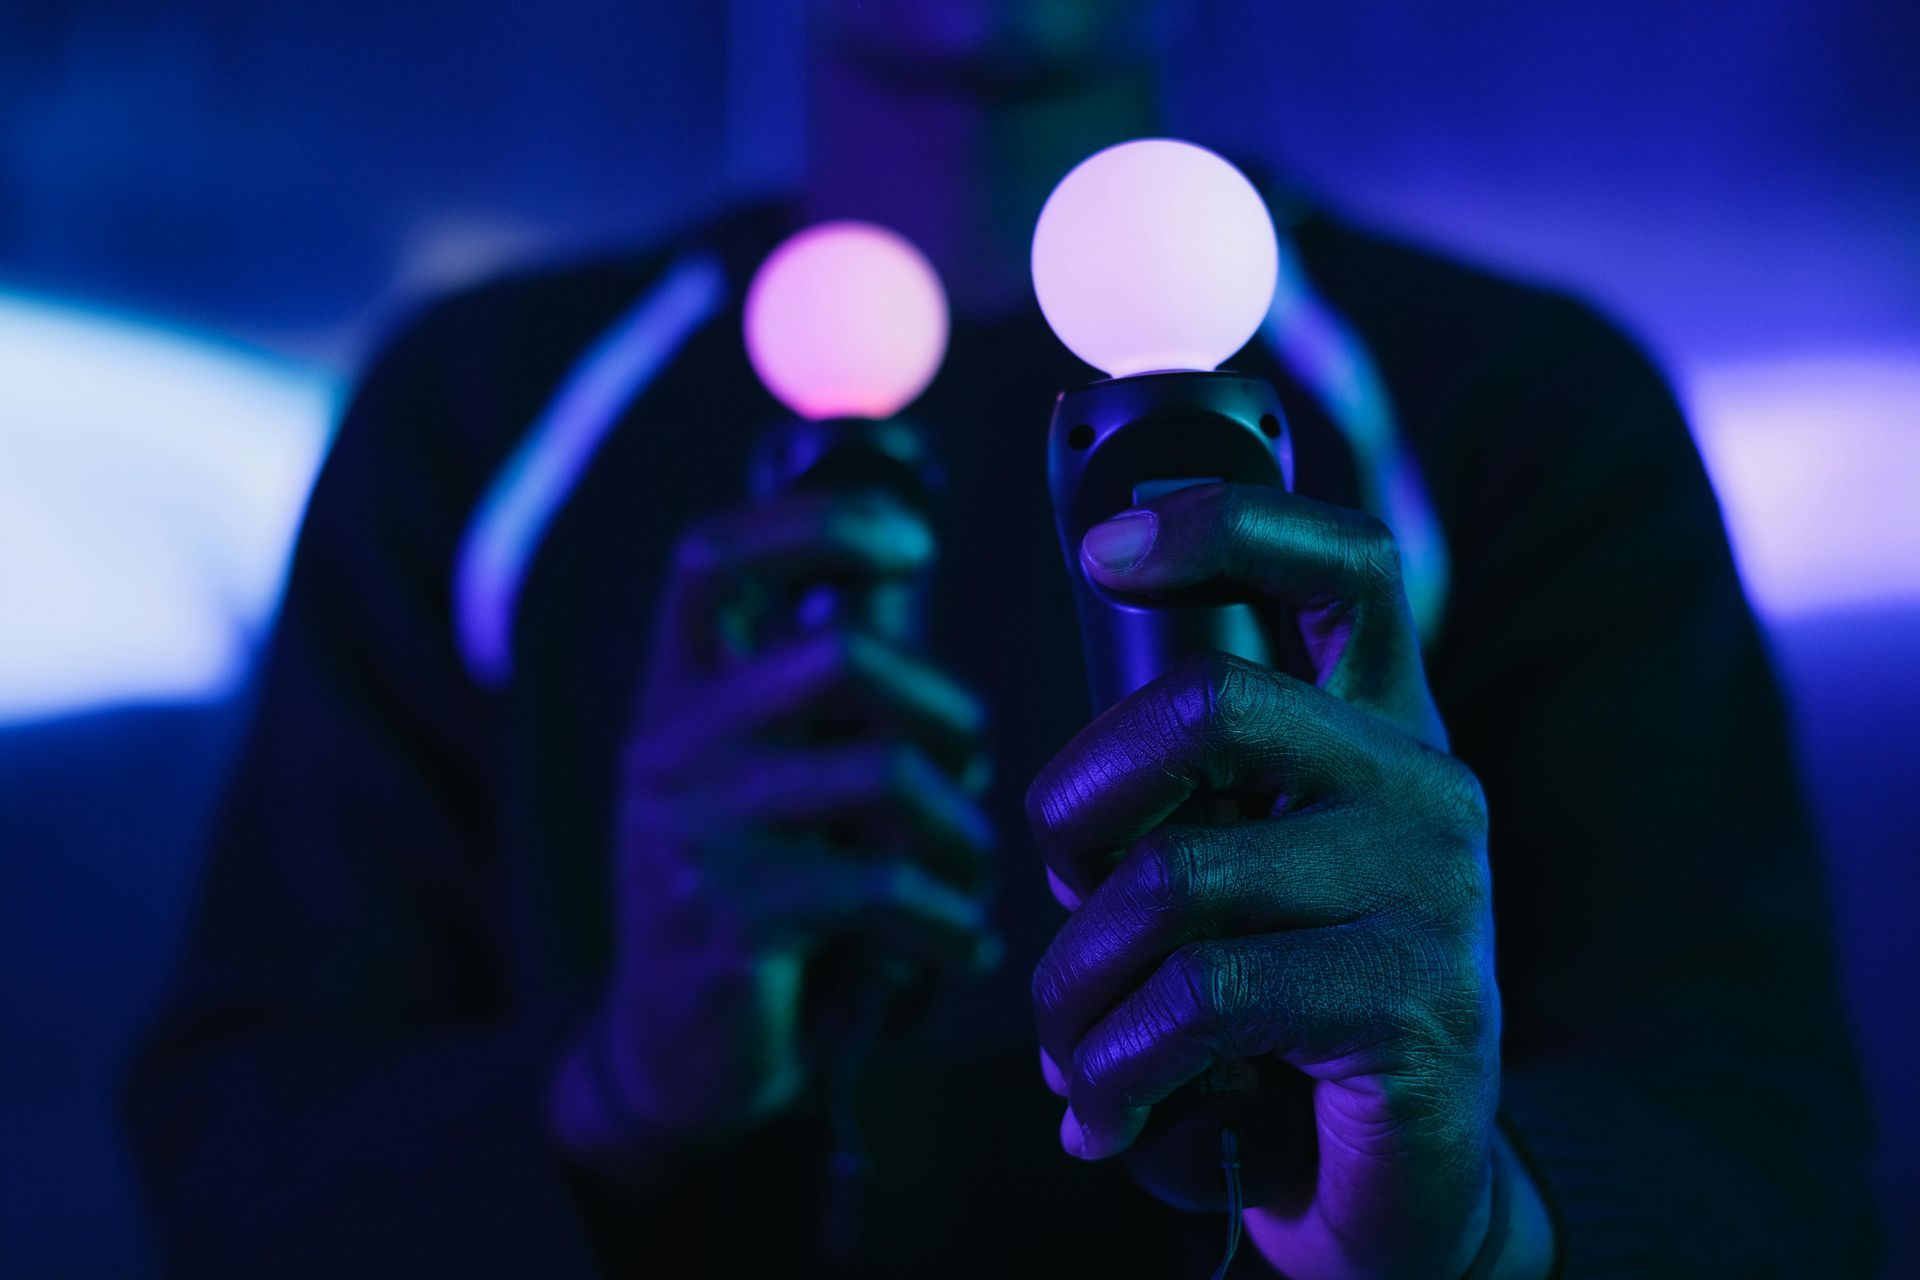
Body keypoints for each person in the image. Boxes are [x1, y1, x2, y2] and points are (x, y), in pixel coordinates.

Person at [125, 2, 1878, 1276]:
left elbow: (1775, 1163)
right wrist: (610, 1084)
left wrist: (1474, 1219)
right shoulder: (482, 415)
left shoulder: (1524, 415)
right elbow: (236, 1160)